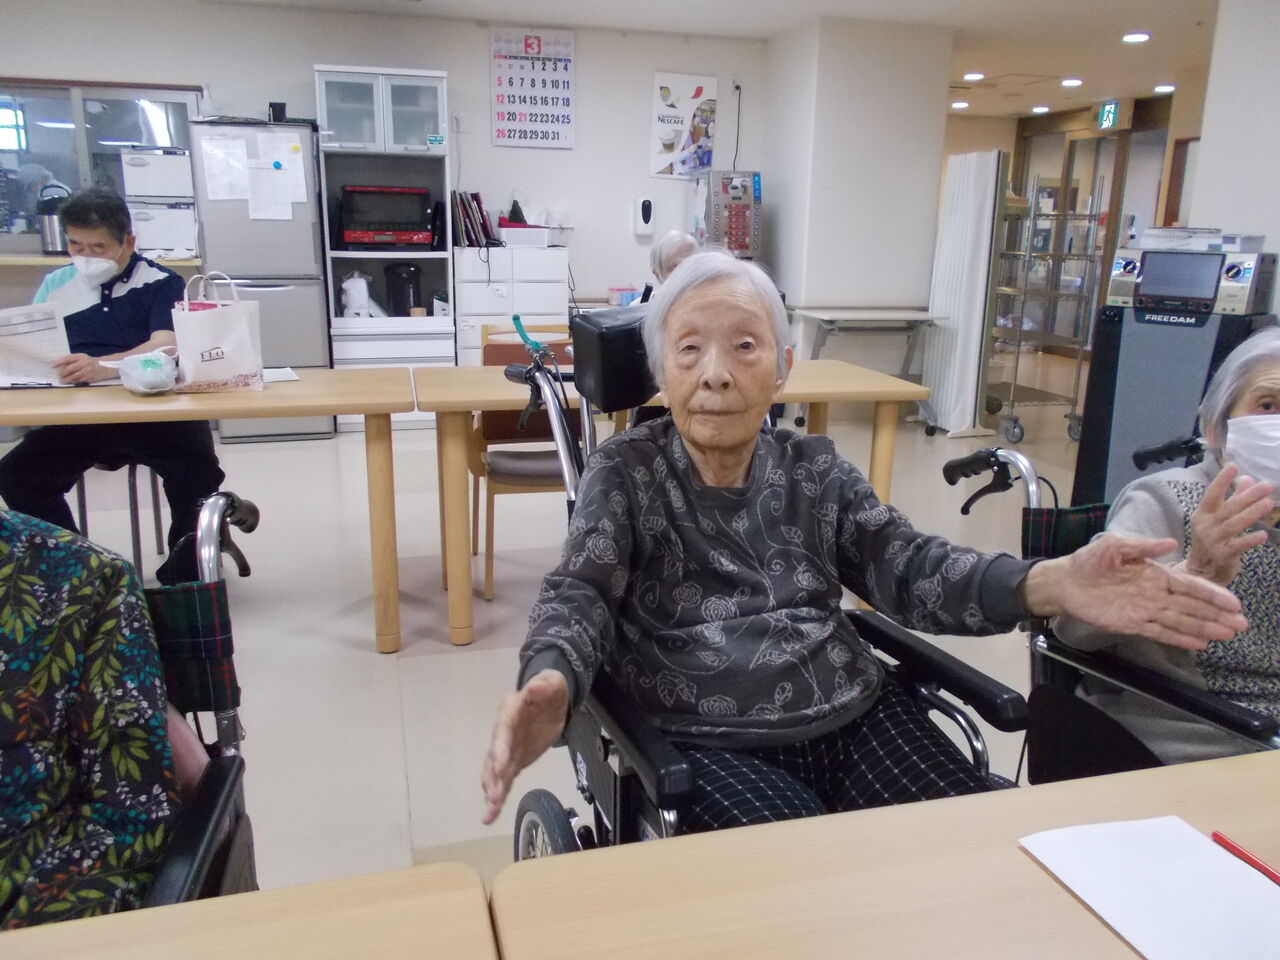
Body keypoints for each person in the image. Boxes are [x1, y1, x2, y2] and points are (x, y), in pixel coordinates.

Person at [480, 250, 1247, 832]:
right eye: (688, 350)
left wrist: (1045, 583)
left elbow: (908, 566)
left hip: (855, 712)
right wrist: (550, 681)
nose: (714, 374)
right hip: (709, 740)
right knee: (815, 898)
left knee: (969, 847)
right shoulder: (629, 471)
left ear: (781, 368)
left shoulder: (814, 468)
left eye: (744, 346)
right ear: (659, 370)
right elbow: (580, 592)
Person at [1055, 327, 1280, 764]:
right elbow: (1073, 632)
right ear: (1217, 425)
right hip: (1191, 730)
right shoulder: (1166, 499)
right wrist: (1193, 572)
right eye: (1268, 405)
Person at [0, 188, 224, 584]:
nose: (85, 256)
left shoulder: (160, 282)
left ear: (128, 243)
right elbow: (33, 344)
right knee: (17, 475)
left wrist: (103, 366)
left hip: (157, 413)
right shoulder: (57, 284)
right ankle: (80, 573)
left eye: (98, 247)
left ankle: (184, 579)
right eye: (75, 244)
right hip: (82, 416)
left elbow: (166, 343)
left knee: (198, 475)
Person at [0, 507, 180, 927]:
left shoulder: (83, 577)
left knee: (190, 468)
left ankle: (181, 559)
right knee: (28, 470)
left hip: (29, 891)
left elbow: (130, 812)